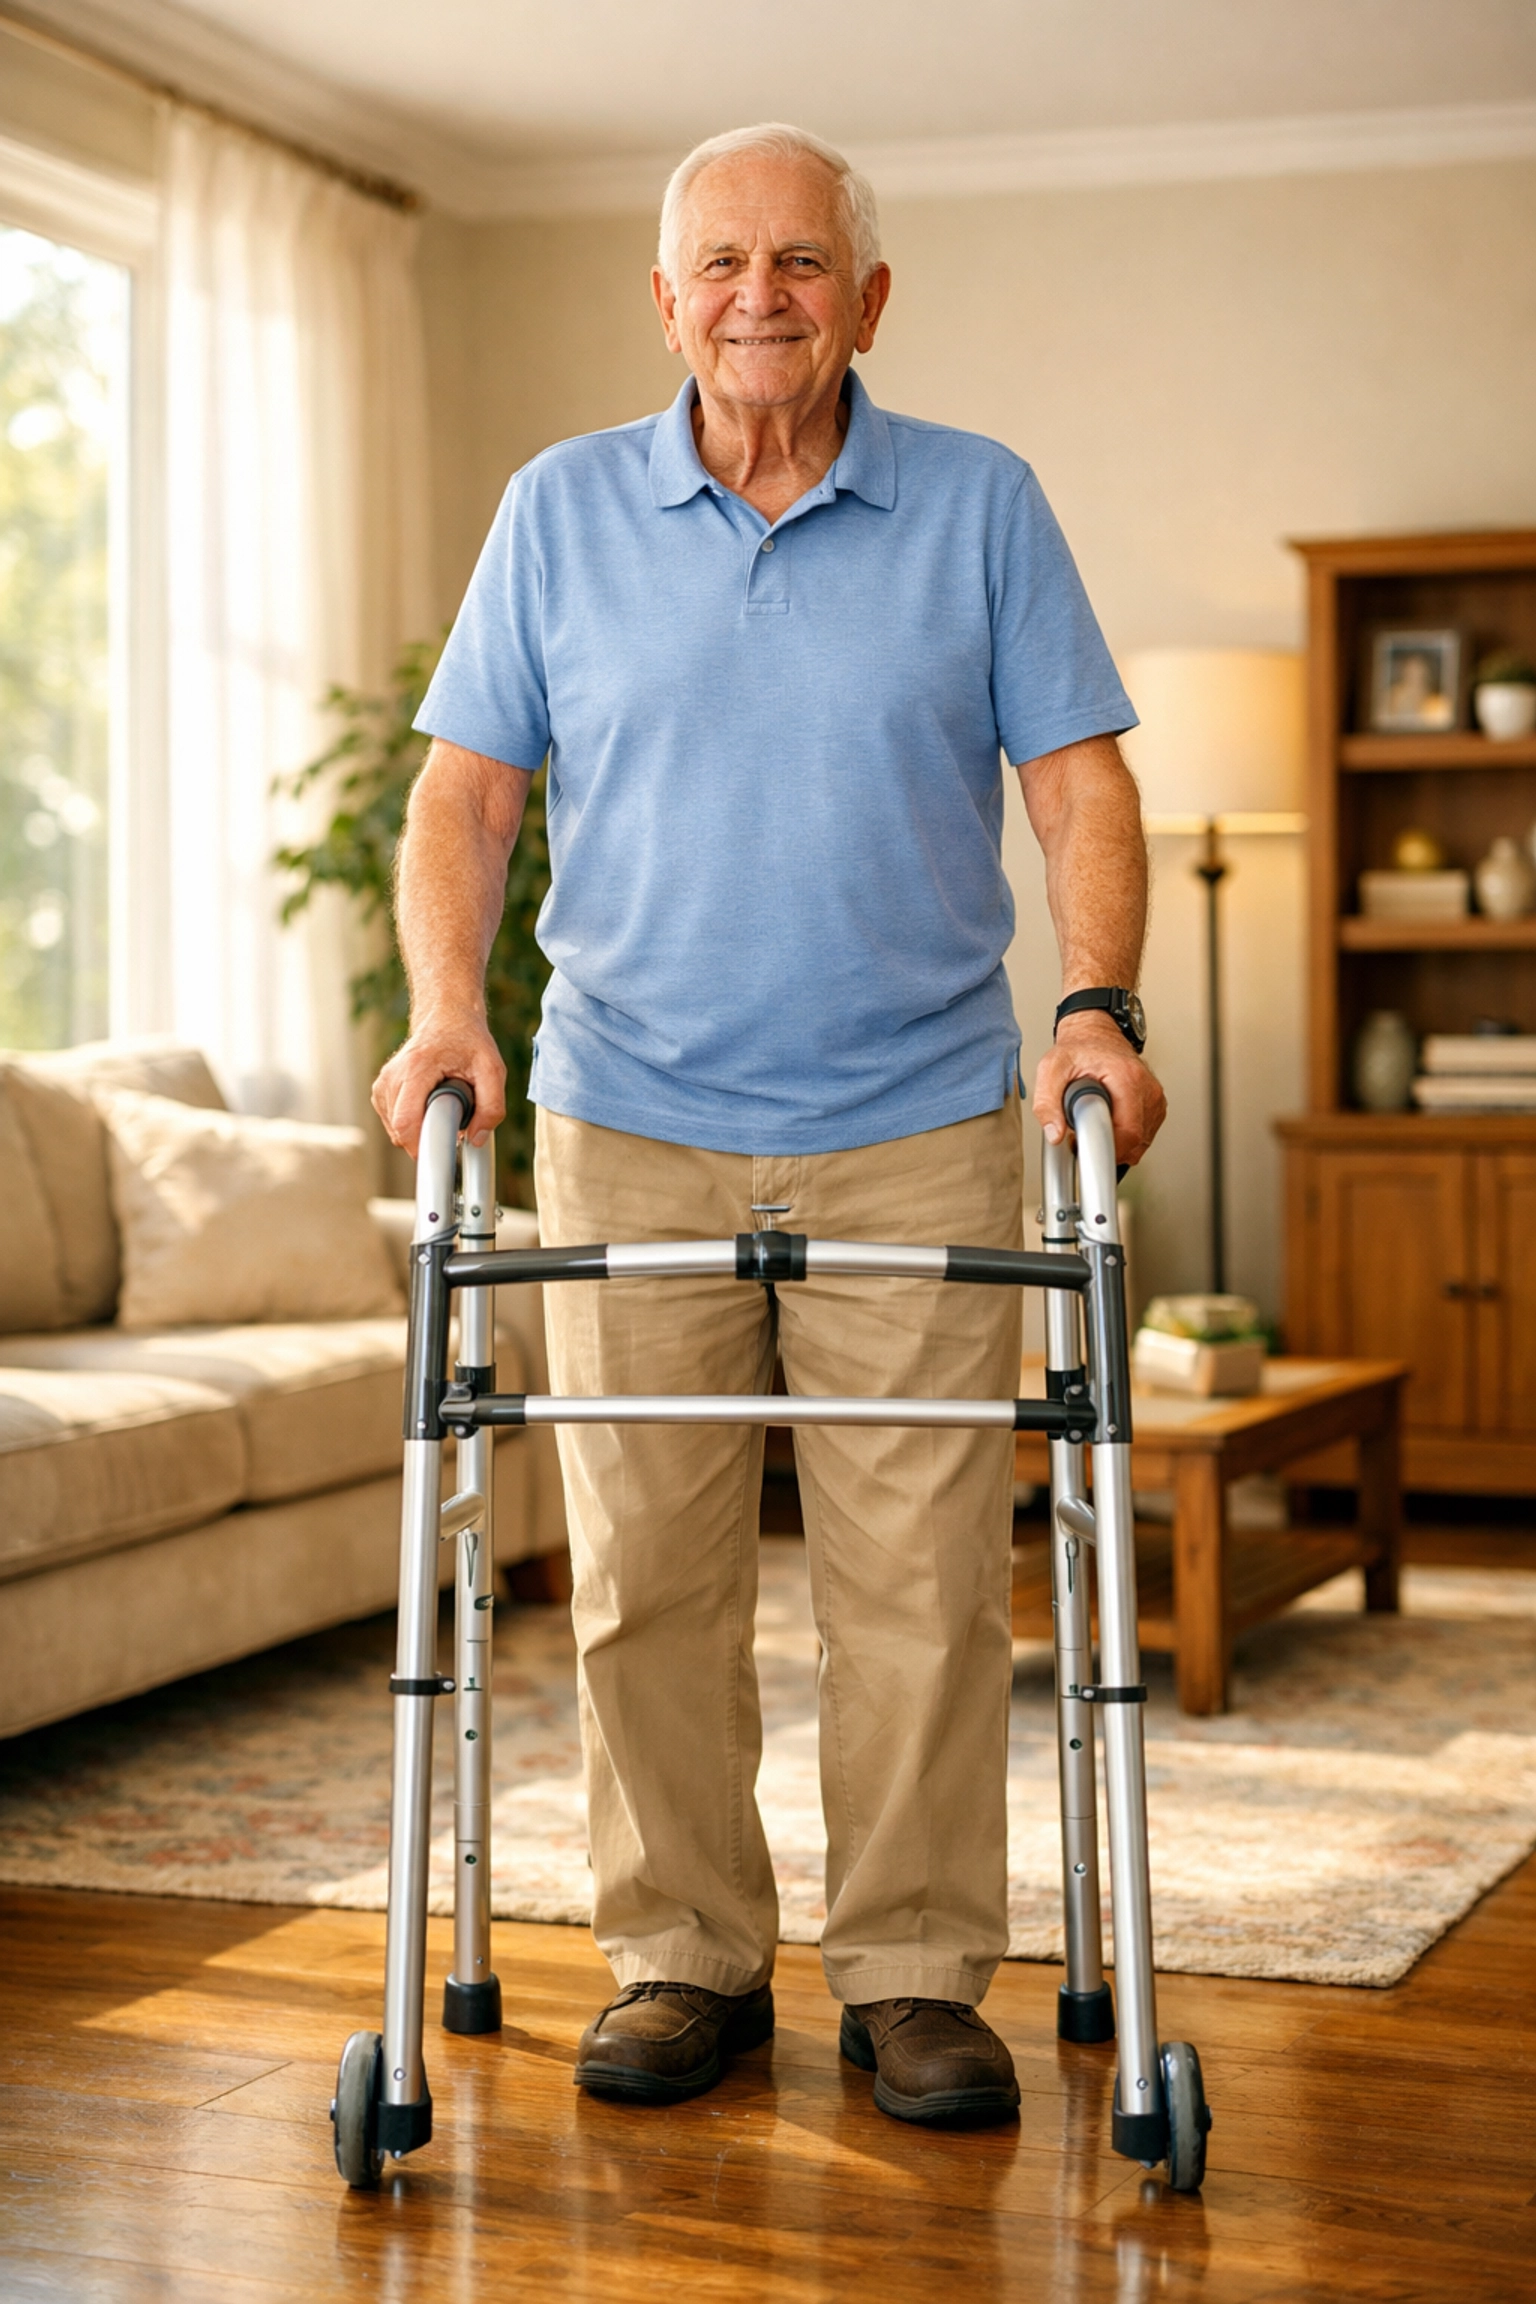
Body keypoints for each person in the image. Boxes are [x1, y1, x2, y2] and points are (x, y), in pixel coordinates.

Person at [373, 121, 1166, 2131]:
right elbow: (464, 803)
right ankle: (682, 1953)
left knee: (911, 1574)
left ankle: (909, 1977)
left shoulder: (979, 506)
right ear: (664, 299)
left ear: (868, 299)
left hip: (916, 1111)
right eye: (719, 261)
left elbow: (1078, 791)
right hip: (625, 1111)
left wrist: (1092, 1008)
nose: (758, 295)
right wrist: (450, 1015)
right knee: (649, 1566)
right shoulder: (557, 515)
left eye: (801, 261)